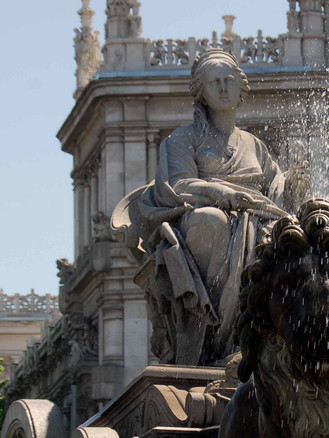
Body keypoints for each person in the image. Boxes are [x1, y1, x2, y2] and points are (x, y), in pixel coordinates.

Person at [113, 49, 308, 365]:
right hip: (204, 219)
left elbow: (277, 194)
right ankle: (215, 339)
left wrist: (296, 181)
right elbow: (178, 186)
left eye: (229, 80)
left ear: (241, 86)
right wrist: (223, 194)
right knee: (212, 221)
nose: (223, 87)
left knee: (291, 241)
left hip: (256, 218)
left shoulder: (254, 145)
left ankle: (272, 338)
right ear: (200, 91)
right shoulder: (182, 139)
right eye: (214, 82)